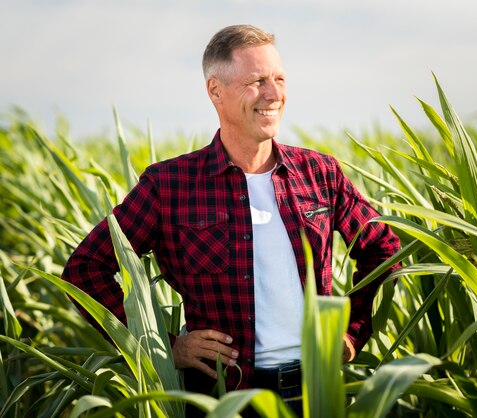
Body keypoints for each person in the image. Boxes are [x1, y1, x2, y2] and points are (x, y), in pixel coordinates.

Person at [61, 24, 400, 416]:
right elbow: (84, 270)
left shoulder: (319, 173)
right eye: (257, 81)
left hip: (316, 390)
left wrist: (353, 331)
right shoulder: (170, 185)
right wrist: (167, 347)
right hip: (223, 397)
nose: (274, 94)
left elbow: (384, 250)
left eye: (279, 79)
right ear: (215, 91)